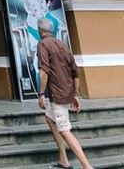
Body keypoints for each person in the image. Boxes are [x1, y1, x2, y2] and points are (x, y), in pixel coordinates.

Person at [37, 17, 93, 169]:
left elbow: (44, 71)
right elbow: (75, 72)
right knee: (50, 118)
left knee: (64, 130)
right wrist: (75, 94)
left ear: (40, 31)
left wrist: (41, 93)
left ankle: (87, 166)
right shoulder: (62, 45)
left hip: (56, 95)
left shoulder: (43, 44)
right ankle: (64, 160)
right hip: (66, 92)